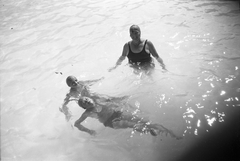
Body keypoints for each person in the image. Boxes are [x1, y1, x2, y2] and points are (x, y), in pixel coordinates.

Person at [74, 96, 182, 139]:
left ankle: (170, 133)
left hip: (118, 114)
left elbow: (112, 99)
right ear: (84, 107)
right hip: (111, 122)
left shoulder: (99, 99)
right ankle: (149, 130)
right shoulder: (87, 113)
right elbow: (76, 123)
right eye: (84, 102)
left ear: (90, 98)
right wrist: (89, 131)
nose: (87, 101)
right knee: (131, 125)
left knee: (143, 120)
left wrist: (125, 98)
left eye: (86, 99)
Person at [60, 75, 128, 121]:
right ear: (69, 85)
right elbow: (66, 101)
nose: (76, 82)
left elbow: (90, 82)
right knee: (100, 109)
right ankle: (111, 115)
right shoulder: (71, 92)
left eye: (76, 80)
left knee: (107, 99)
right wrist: (66, 111)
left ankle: (120, 100)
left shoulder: (81, 83)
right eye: (73, 83)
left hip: (92, 96)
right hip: (86, 102)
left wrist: (100, 79)